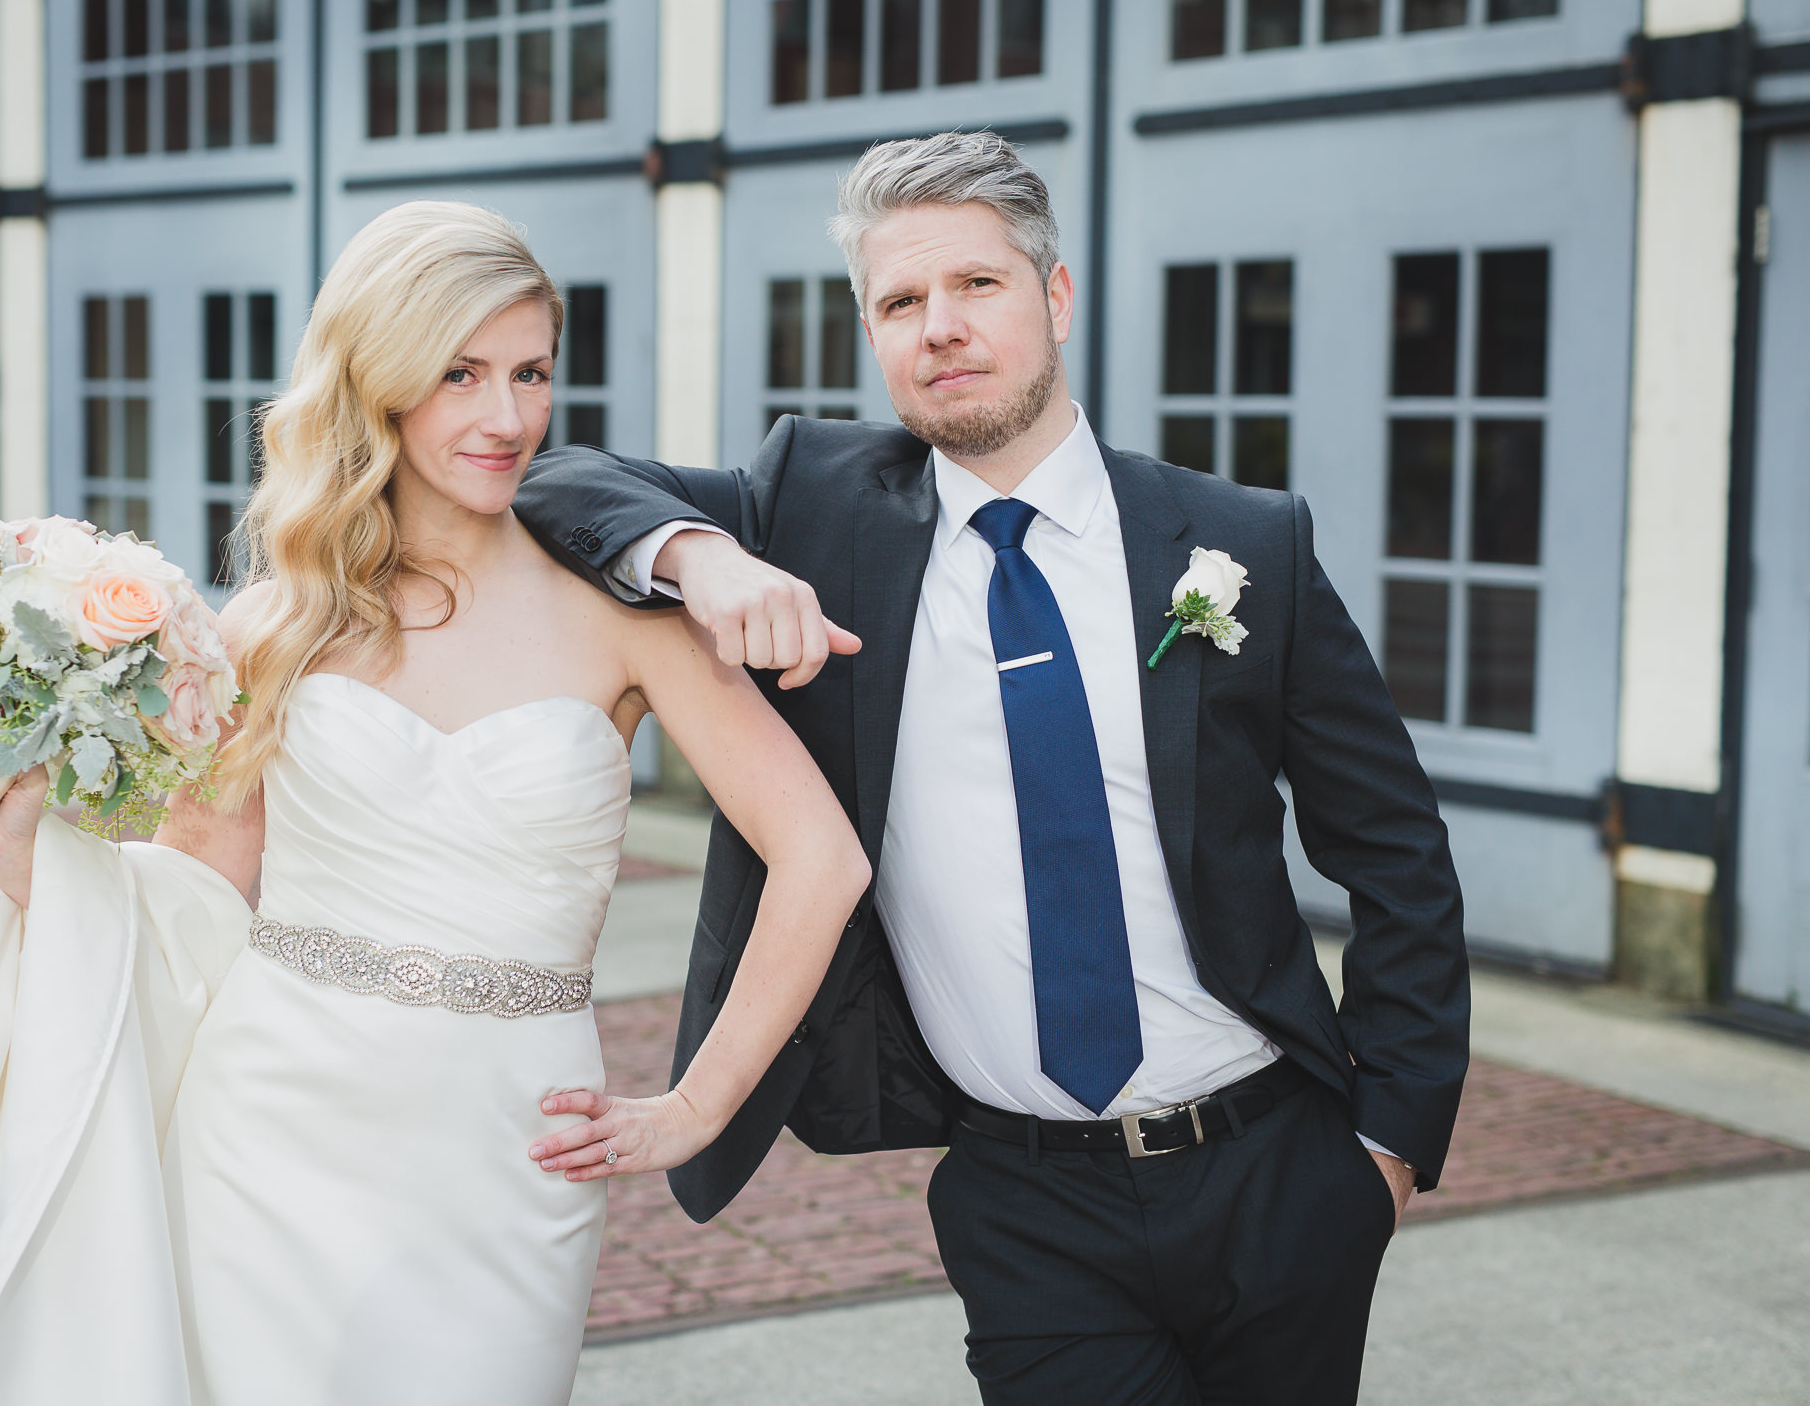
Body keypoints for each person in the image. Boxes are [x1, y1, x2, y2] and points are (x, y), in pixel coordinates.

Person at [0, 200, 869, 1406]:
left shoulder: (628, 617)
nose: (508, 415)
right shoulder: (272, 626)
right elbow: (192, 893)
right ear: (376, 383)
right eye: (460, 373)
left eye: (531, 372)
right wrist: (22, 859)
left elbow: (821, 860)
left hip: (508, 1145)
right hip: (267, 1127)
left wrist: (693, 1107)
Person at [515, 131, 1470, 1404]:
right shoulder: (815, 504)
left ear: (1055, 297)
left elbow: (1393, 845)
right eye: (899, 302)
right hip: (1025, 1201)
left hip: (1275, 1165)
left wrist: (1388, 1142)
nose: (939, 328)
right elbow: (557, 480)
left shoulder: (1241, 543)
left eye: (976, 285)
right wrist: (706, 557)